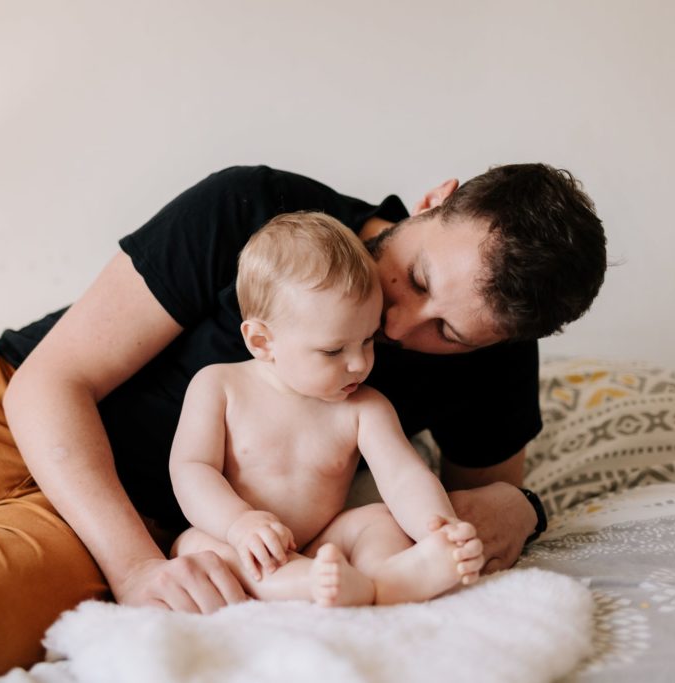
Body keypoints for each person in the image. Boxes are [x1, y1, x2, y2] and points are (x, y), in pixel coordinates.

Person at [0, 164, 606, 682]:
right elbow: (56, 378)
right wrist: (136, 571)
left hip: (147, 518)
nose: (400, 328)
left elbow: (495, 493)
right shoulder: (251, 206)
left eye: (448, 333)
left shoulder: (494, 355)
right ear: (435, 197)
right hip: (6, 404)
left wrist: (515, 515)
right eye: (415, 279)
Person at [169, 211, 484, 607]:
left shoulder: (364, 407)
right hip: (239, 540)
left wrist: (439, 528)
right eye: (334, 350)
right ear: (262, 341)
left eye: (368, 340)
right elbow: (191, 470)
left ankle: (389, 575)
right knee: (193, 547)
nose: (359, 364)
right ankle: (321, 586)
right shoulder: (219, 386)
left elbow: (404, 478)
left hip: (324, 540)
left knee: (378, 520)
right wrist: (237, 523)